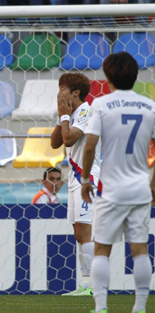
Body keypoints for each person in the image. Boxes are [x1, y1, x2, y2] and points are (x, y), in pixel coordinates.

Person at [81, 52, 154, 313]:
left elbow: (89, 147)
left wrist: (86, 179)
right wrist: (153, 184)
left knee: (102, 248)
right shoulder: (149, 106)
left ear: (108, 75)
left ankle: (101, 307)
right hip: (139, 188)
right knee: (140, 249)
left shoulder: (101, 105)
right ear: (135, 76)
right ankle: (140, 309)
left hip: (110, 188)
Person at [50, 73, 100, 297]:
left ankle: (95, 285)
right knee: (78, 233)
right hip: (74, 177)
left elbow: (69, 139)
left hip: (87, 177)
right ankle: (86, 284)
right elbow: (55, 143)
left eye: (62, 89)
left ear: (76, 93)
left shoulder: (87, 112)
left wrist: (64, 117)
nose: (59, 94)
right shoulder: (70, 114)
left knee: (84, 230)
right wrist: (62, 117)